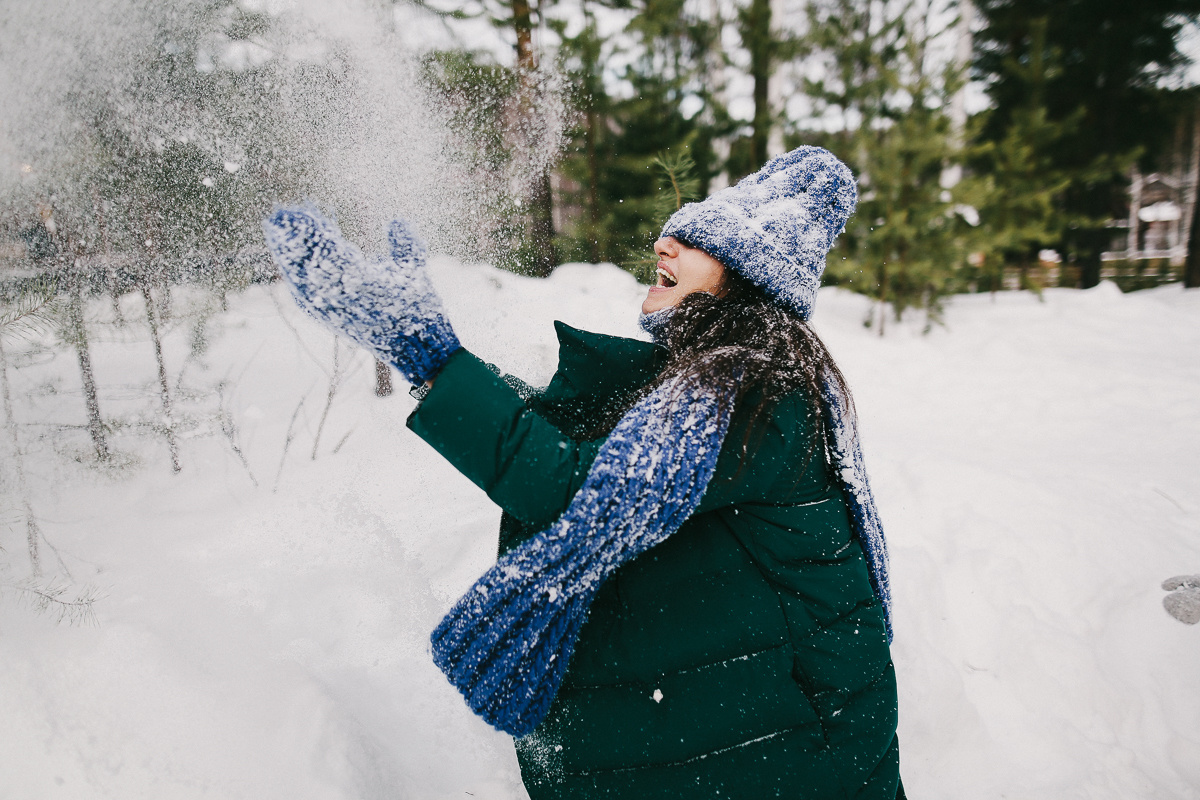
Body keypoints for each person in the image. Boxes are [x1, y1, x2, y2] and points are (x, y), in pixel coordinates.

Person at [264, 145, 902, 799]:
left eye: (695, 239)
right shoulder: (700, 387)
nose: (665, 243)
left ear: (748, 274)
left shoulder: (757, 395)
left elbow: (567, 486)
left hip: (792, 761)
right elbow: (568, 440)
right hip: (739, 743)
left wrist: (429, 356)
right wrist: (426, 360)